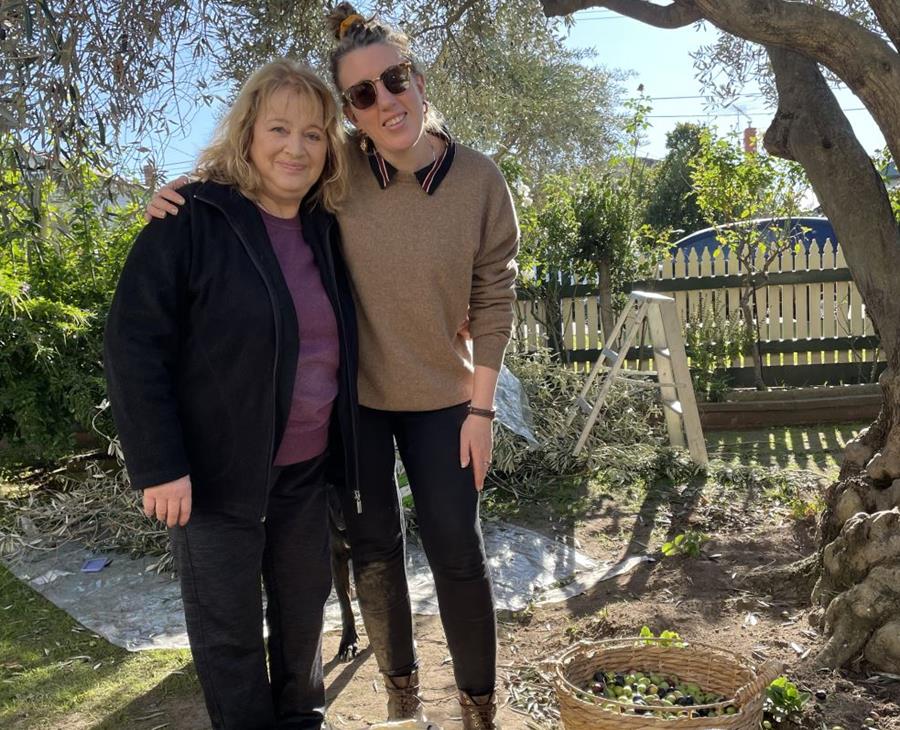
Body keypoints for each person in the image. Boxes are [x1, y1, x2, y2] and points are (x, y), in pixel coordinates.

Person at [147, 7, 519, 726]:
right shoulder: (338, 165)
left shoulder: (479, 180)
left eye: (394, 80)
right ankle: (401, 694)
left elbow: (493, 297)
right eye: (361, 95)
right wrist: (180, 194)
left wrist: (482, 409)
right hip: (357, 406)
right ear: (349, 110)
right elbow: (259, 169)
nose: (385, 102)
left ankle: (478, 706)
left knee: (457, 549)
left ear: (417, 76)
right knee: (374, 549)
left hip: (447, 398)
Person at [105, 59, 358, 730]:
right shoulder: (190, 219)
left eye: (313, 133)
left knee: (305, 608)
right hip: (214, 473)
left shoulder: (328, 229)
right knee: (229, 629)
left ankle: (303, 719)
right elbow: (134, 346)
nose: (295, 147)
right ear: (247, 133)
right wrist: (157, 464)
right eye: (279, 128)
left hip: (305, 471)